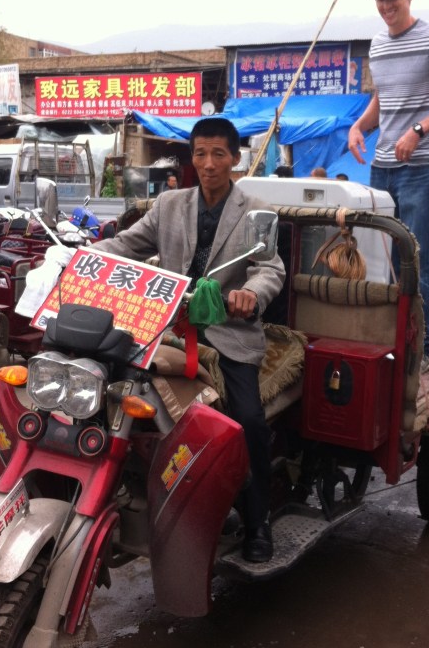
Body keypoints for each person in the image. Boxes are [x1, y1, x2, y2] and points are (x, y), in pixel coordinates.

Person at [93, 117, 285, 562]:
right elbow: (125, 245)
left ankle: (258, 521)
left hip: (228, 334)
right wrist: (80, 255)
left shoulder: (257, 210)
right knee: (106, 389)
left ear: (235, 159)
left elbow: (269, 268)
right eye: (200, 153)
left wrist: (249, 295)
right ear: (191, 157)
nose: (209, 163)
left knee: (249, 422)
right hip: (165, 327)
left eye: (219, 154)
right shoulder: (169, 204)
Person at [348, 0, 429, 374]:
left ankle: (424, 346)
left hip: (421, 169)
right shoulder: (378, 45)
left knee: (417, 259)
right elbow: (383, 100)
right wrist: (359, 126)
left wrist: (418, 130)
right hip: (381, 169)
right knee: (378, 258)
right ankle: (388, 337)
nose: (386, 6)